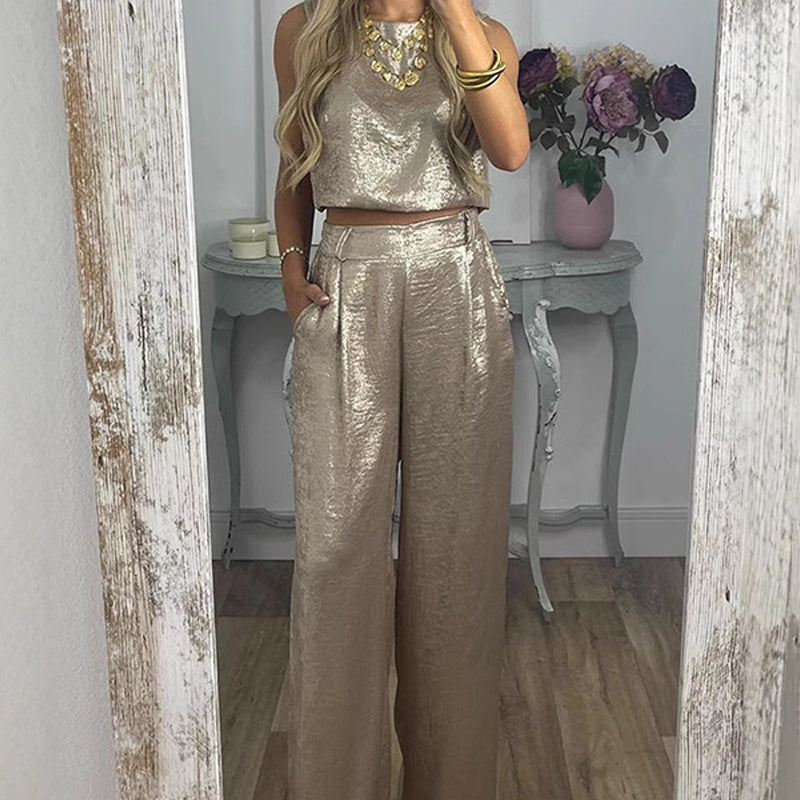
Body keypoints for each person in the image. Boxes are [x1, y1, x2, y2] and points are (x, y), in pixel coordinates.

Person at [272, 1, 528, 798]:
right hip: (346, 283)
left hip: (457, 280)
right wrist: (291, 265)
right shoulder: (306, 28)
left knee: (456, 555)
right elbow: (293, 169)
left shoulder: (484, 34)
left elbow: (511, 150)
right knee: (333, 554)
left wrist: (456, 15)